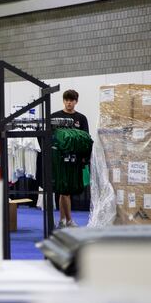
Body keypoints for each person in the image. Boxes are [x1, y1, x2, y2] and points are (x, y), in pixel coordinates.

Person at [51, 89, 89, 228]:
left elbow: (86, 139)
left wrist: (85, 159)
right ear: (63, 101)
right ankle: (69, 220)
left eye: (71, 100)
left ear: (76, 102)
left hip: (76, 160)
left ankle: (62, 220)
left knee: (64, 190)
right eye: (66, 100)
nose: (69, 103)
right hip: (60, 160)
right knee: (64, 190)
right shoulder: (54, 116)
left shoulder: (81, 118)